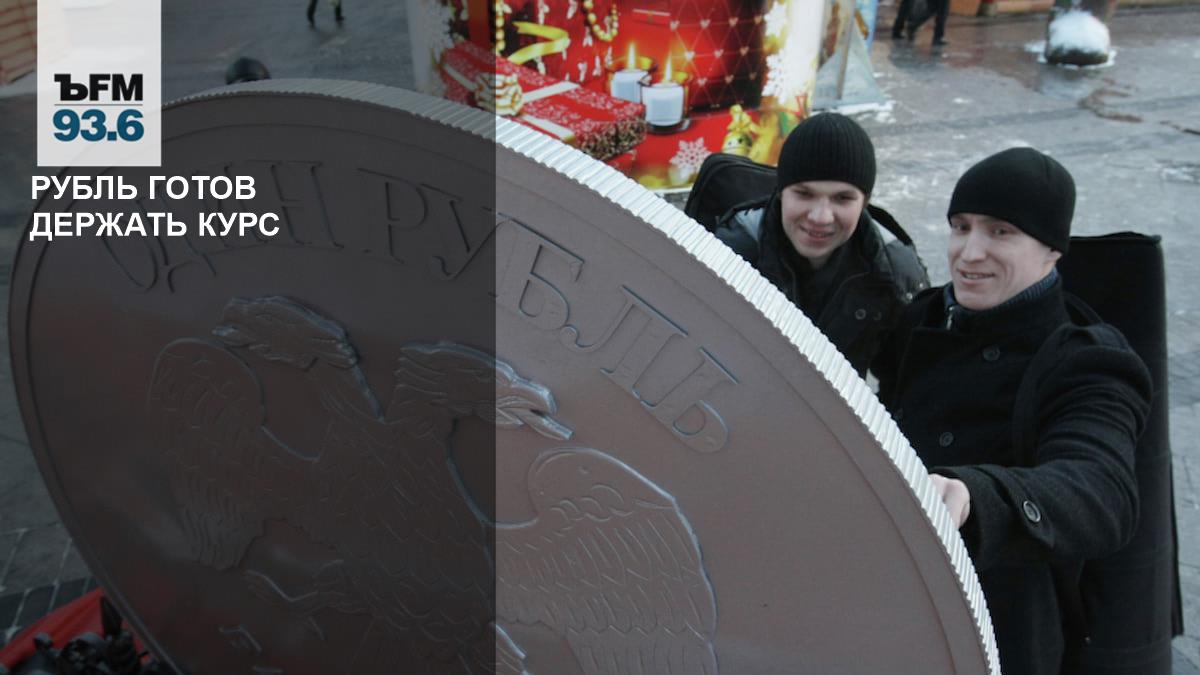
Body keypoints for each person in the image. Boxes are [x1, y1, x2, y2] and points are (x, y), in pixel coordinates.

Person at [873, 147, 1153, 674]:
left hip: (1004, 631)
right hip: (892, 601)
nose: (969, 252)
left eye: (1000, 232)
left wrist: (975, 497)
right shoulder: (923, 318)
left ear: (1052, 250)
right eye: (961, 227)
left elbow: (1101, 492)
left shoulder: (1087, 359)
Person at [713, 113, 929, 376]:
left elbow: (905, 381)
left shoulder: (894, 273)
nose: (821, 217)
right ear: (781, 192)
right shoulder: (732, 254)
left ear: (865, 202)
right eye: (804, 194)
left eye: (842, 198)